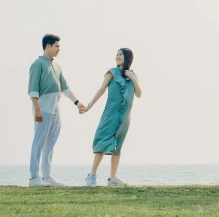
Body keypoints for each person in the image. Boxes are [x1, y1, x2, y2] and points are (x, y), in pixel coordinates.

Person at [27, 34, 86, 187]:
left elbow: (65, 87)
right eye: (57, 46)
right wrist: (37, 110)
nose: (59, 49)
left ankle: (46, 176)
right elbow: (33, 90)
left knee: (50, 145)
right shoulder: (37, 64)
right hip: (43, 110)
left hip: (56, 112)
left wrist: (77, 103)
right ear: (48, 46)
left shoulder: (57, 66)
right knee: (38, 143)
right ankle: (34, 178)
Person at [82, 48, 142, 187]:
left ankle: (112, 177)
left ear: (128, 58)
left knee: (118, 146)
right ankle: (91, 175)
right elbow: (101, 89)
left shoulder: (133, 75)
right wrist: (89, 106)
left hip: (125, 115)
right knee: (102, 142)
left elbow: (139, 93)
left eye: (120, 54)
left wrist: (132, 78)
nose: (117, 56)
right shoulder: (111, 72)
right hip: (111, 113)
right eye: (117, 54)